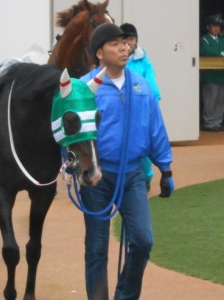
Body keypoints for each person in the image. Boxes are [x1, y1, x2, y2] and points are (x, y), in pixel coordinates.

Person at [80, 23, 174, 300]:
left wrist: (165, 168)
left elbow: (155, 128)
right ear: (99, 53)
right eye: (115, 44)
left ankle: (125, 296)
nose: (124, 48)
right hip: (97, 177)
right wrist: (80, 167)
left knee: (143, 241)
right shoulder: (85, 89)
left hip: (132, 174)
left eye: (125, 43)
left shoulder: (141, 84)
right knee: (97, 248)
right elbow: (72, 134)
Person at [120, 22, 161, 191]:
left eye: (132, 38)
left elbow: (151, 86)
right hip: (120, 111)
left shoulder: (144, 61)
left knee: (142, 147)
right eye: (126, 39)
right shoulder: (114, 61)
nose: (129, 42)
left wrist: (153, 104)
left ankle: (147, 176)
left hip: (140, 112)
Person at [200, 14, 224, 132]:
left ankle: (217, 122)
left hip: (221, 76)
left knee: (220, 101)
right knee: (210, 100)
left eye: (218, 26)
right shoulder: (204, 39)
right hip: (209, 76)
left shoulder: (222, 40)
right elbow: (206, 51)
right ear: (208, 27)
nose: (216, 28)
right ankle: (209, 123)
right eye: (214, 26)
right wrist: (220, 53)